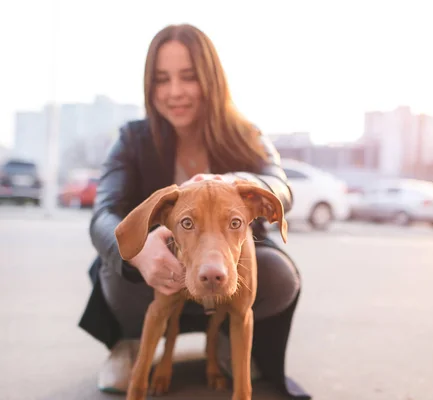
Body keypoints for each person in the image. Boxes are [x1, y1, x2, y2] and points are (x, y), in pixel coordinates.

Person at [77, 23, 311, 399]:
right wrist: (139, 255)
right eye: (161, 79)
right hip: (162, 267)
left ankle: (222, 341)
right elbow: (103, 212)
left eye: (188, 77)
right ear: (149, 86)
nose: (175, 92)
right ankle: (134, 342)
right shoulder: (133, 139)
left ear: (212, 79)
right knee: (117, 264)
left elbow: (280, 187)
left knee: (278, 275)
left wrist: (232, 181)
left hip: (224, 268)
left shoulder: (245, 134)